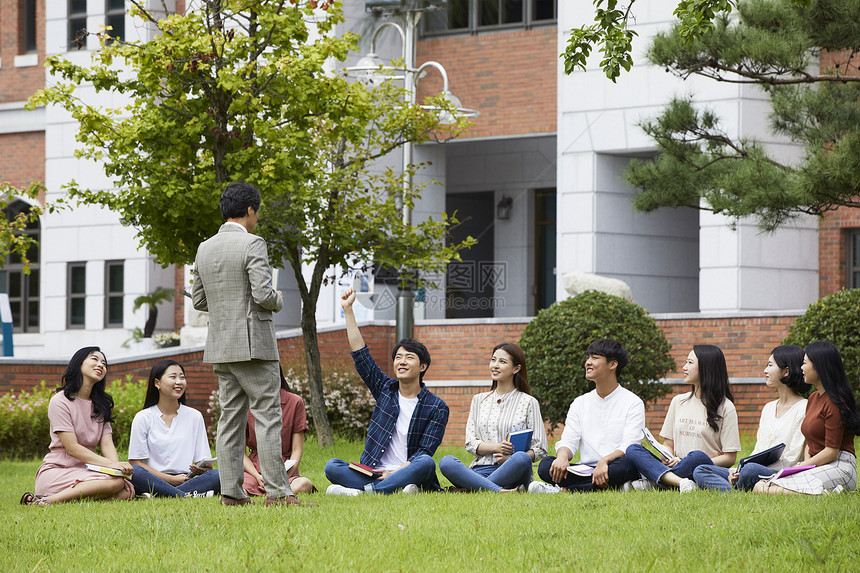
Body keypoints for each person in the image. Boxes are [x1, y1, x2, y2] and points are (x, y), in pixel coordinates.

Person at [192, 181, 306, 507]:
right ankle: (279, 494)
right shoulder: (253, 244)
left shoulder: (204, 248)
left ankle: (231, 493)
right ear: (250, 210)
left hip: (221, 347)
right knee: (269, 416)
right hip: (254, 346)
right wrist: (280, 298)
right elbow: (263, 295)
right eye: (257, 211)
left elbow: (200, 300)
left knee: (230, 420)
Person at [324, 288, 449, 495]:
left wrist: (393, 474)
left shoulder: (437, 407)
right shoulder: (385, 390)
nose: (402, 361)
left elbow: (424, 452)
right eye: (398, 357)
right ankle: (385, 489)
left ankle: (367, 491)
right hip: (372, 471)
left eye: (409, 357)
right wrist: (348, 310)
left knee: (426, 462)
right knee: (332, 466)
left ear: (423, 366)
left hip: (405, 472)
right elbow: (361, 356)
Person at [21, 347, 135, 506]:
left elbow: (107, 443)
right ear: (78, 364)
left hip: (89, 471)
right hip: (58, 470)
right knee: (117, 486)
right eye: (94, 359)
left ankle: (62, 499)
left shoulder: (101, 405)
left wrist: (117, 470)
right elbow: (72, 447)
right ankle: (48, 500)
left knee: (124, 487)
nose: (100, 365)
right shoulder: (60, 401)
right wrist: (111, 466)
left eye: (104, 363)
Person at [529, 339, 644, 493]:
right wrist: (562, 456)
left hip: (614, 465)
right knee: (546, 465)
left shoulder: (633, 402)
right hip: (586, 469)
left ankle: (564, 490)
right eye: (588, 358)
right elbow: (569, 440)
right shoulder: (580, 403)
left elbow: (630, 445)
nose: (588, 363)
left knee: (627, 466)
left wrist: (604, 461)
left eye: (595, 358)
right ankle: (612, 487)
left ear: (612, 365)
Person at [625, 344, 741, 493]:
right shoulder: (678, 401)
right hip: (676, 464)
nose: (684, 367)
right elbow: (668, 444)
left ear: (706, 367)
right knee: (633, 449)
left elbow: (729, 458)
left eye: (690, 363)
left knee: (697, 456)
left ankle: (656, 482)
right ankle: (678, 481)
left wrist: (688, 462)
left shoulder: (726, 407)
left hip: (701, 467)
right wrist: (666, 456)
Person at [693, 345, 809, 491]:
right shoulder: (769, 408)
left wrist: (749, 469)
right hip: (753, 470)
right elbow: (759, 450)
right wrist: (739, 470)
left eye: (770, 365)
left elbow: (792, 458)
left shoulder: (804, 408)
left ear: (786, 371)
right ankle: (734, 490)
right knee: (701, 469)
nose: (765, 370)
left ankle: (736, 486)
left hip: (779, 474)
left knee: (751, 470)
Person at [439, 343, 547, 492]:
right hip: (480, 470)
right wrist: (497, 447)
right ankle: (499, 491)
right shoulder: (478, 400)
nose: (495, 365)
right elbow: (470, 443)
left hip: (514, 470)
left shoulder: (529, 402)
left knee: (522, 458)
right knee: (446, 462)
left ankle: (472, 490)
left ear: (516, 369)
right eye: (493, 360)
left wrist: (510, 460)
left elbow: (540, 447)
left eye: (502, 362)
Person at [754, 341, 859, 495]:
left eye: (804, 363)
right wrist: (804, 465)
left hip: (839, 466)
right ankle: (823, 492)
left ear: (819, 366)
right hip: (815, 465)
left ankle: (824, 494)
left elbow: (831, 452)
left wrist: (801, 466)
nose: (801, 368)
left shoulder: (836, 402)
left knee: (769, 489)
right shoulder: (813, 398)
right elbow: (809, 442)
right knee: (761, 486)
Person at [127, 360, 221, 498]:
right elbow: (136, 463)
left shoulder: (195, 416)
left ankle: (164, 495)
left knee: (217, 475)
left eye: (182, 377)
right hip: (154, 478)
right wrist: (170, 479)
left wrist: (201, 469)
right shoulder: (143, 417)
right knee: (135, 472)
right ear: (157, 383)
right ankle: (187, 495)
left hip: (187, 478)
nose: (179, 382)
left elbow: (205, 464)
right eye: (173, 377)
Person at [243, 369, 314, 495]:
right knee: (240, 488)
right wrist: (257, 476)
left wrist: (285, 478)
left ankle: (276, 492)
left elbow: (297, 449)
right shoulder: (247, 403)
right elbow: (240, 453)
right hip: (253, 469)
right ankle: (270, 493)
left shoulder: (295, 402)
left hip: (285, 469)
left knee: (304, 484)